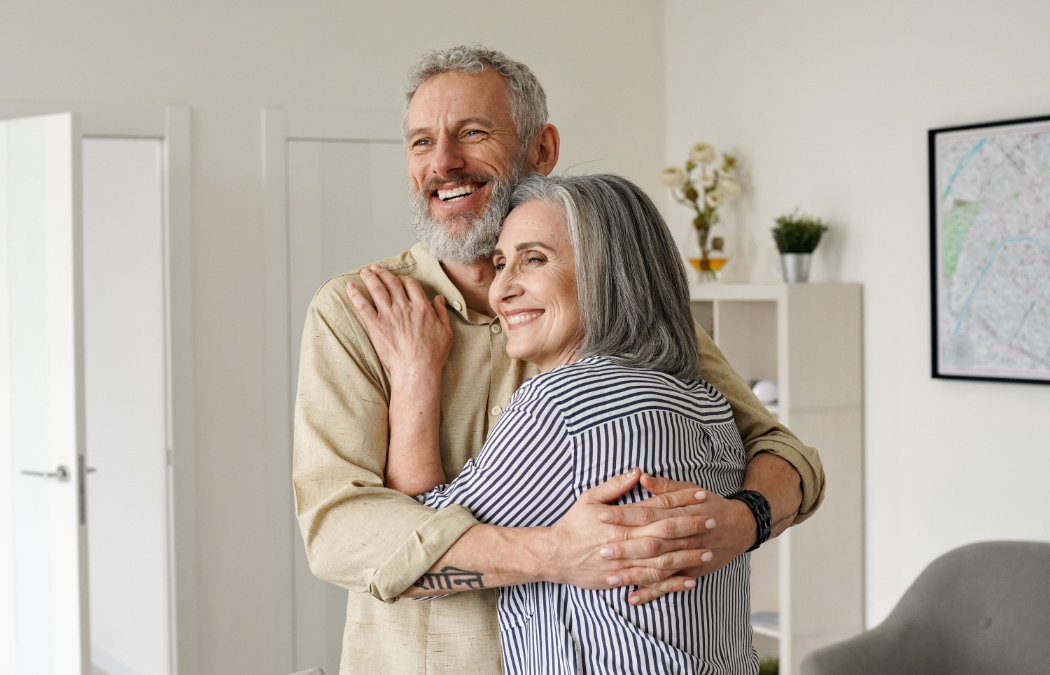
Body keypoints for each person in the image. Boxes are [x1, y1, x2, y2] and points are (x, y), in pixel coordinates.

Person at [292, 44, 824, 674]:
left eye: (472, 133)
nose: (442, 163)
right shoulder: (357, 310)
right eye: (419, 142)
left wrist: (742, 520)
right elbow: (340, 533)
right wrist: (553, 553)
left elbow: (785, 455)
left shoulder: (621, 312)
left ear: (541, 149)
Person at [353, 173, 759, 674]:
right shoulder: (709, 405)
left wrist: (415, 372)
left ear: (607, 274)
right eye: (500, 263)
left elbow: (416, 552)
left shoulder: (566, 402)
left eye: (535, 259)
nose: (502, 289)